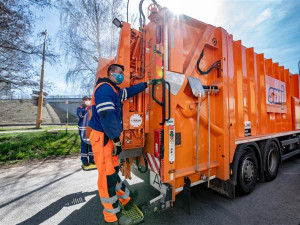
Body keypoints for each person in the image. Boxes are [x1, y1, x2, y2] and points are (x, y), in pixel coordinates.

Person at [88, 63, 156, 225]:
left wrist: (146, 84)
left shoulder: (115, 90)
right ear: (111, 73)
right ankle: (112, 217)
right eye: (119, 73)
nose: (122, 76)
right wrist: (116, 139)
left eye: (123, 73)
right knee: (106, 177)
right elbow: (106, 115)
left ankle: (126, 199)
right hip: (103, 137)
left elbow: (129, 92)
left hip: (107, 138)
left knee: (113, 172)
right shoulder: (104, 88)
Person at [77, 96, 95, 168]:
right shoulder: (80, 108)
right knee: (84, 144)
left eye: (88, 100)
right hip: (83, 129)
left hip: (91, 129)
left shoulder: (92, 108)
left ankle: (91, 159)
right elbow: (80, 115)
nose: (87, 101)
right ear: (83, 101)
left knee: (91, 144)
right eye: (86, 100)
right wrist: (86, 109)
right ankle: (84, 160)